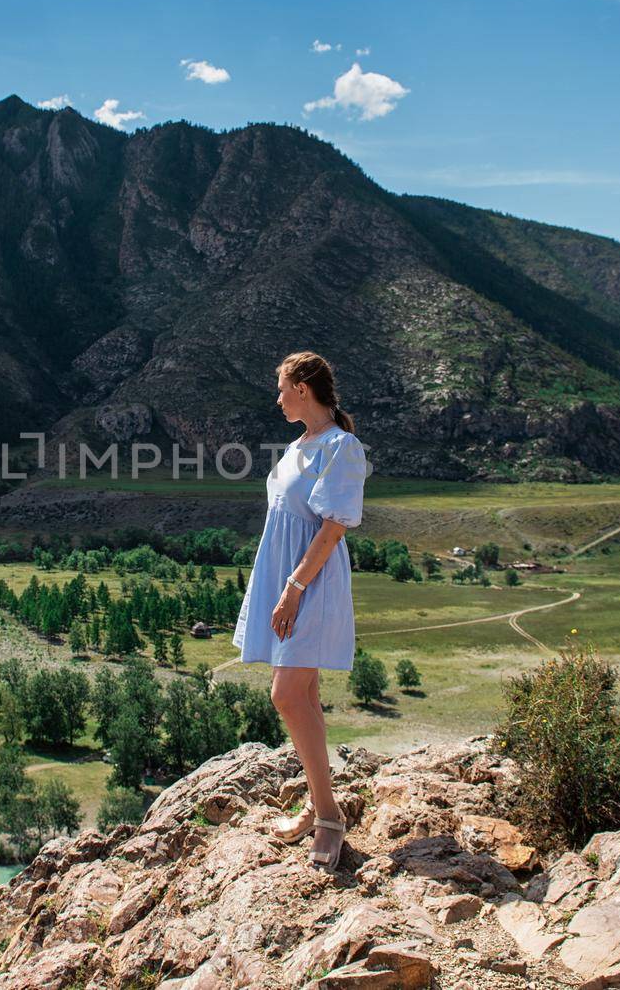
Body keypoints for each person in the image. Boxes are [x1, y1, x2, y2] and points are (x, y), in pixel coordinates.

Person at [231, 350, 367, 871]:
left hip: (312, 583)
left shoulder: (341, 446)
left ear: (304, 389)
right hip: (290, 578)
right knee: (304, 694)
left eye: (283, 387)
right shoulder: (298, 445)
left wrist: (293, 588)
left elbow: (333, 528)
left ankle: (329, 816)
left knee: (285, 694)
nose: (278, 397)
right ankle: (318, 802)